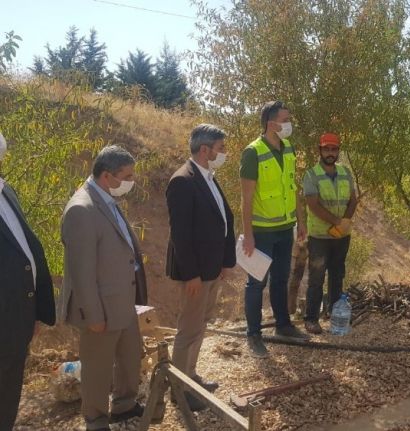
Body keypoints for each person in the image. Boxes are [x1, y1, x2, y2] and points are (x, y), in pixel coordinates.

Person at [58, 145, 148, 431]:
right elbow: (81, 272)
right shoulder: (81, 209)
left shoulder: (106, 199)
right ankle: (96, 419)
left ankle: (124, 405)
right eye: (127, 176)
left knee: (130, 357)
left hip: (122, 300)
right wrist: (93, 315)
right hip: (100, 308)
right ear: (107, 175)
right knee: (97, 368)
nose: (131, 182)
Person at [165, 124, 235, 411]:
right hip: (194, 273)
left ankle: (190, 377)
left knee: (200, 325)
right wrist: (192, 274)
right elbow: (180, 234)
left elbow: (219, 222)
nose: (224, 154)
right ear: (205, 150)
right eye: (220, 149)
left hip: (210, 269)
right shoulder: (182, 180)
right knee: (188, 330)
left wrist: (222, 262)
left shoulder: (207, 177)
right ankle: (179, 390)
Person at [240, 100, 309, 358]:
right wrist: (248, 235)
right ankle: (254, 335)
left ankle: (283, 325)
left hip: (284, 228)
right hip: (262, 231)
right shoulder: (253, 152)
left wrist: (300, 221)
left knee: (281, 278)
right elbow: (246, 199)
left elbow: (293, 189)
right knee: (256, 283)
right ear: (271, 123)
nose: (289, 124)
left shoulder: (288, 148)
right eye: (285, 119)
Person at [0, 132, 56, 430]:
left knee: (8, 395)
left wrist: (34, 310)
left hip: (16, 320)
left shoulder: (7, 192)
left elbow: (25, 254)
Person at [302, 133, 357, 334]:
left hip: (341, 236)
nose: (330, 153)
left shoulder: (345, 173)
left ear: (338, 151)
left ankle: (334, 316)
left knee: (337, 275)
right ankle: (311, 319)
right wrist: (336, 222)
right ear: (320, 151)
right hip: (319, 237)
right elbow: (313, 205)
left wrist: (345, 222)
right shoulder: (311, 175)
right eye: (327, 149)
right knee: (316, 278)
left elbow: (353, 200)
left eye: (334, 149)